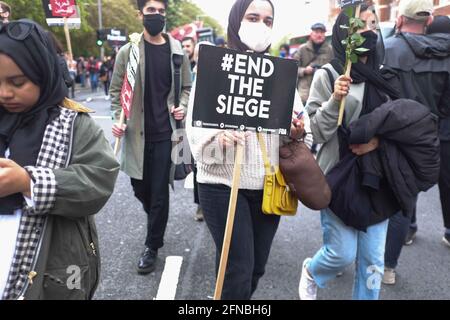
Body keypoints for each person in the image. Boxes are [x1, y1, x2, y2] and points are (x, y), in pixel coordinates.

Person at [186, 0, 312, 300]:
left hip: (266, 184)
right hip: (222, 185)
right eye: (253, 17)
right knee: (237, 270)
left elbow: (302, 133)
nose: (261, 26)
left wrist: (295, 132)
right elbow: (194, 139)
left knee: (255, 270)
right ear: (236, 21)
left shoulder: (279, 73)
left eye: (268, 20)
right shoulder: (214, 67)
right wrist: (220, 141)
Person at [0, 20, 119, 300]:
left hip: (49, 268)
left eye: (17, 82)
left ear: (43, 72)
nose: (5, 92)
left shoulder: (74, 123)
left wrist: (28, 182)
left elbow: (99, 179)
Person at [300, 5, 400, 300]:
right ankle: (312, 271)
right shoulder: (328, 74)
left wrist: (377, 143)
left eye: (373, 24)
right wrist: (334, 100)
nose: (367, 31)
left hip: (379, 179)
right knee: (342, 254)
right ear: (345, 33)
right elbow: (316, 132)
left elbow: (399, 127)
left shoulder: (386, 76)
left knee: (373, 262)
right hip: (339, 177)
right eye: (359, 26)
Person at [110, 0, 192, 275]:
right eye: (151, 11)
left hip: (167, 134)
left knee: (159, 194)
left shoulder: (177, 50)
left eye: (161, 11)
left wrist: (182, 104)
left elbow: (187, 88)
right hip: (136, 135)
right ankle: (155, 219)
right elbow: (115, 92)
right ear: (140, 15)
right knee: (139, 188)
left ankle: (152, 245)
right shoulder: (128, 52)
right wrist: (115, 120)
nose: (157, 16)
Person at [382, 0, 450, 285]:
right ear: (428, 20)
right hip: (429, 134)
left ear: (400, 20)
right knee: (414, 192)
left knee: (394, 196)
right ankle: (388, 267)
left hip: (394, 133)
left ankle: (382, 262)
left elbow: (378, 97)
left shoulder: (388, 48)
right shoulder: (446, 56)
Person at [293, 22, 333, 105]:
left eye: (322, 32)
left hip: (322, 90)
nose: (319, 35)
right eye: (316, 32)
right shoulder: (302, 49)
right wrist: (304, 70)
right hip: (304, 91)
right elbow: (292, 68)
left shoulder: (330, 50)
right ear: (311, 34)